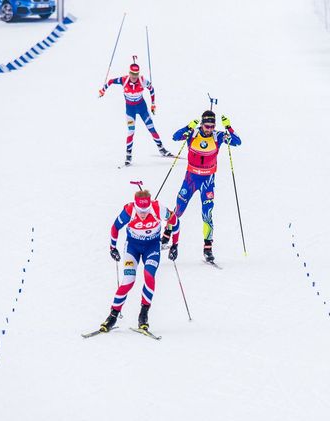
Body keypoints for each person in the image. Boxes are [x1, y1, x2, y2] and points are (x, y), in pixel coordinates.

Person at [166, 110, 241, 263]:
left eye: (212, 126)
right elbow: (175, 137)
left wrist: (229, 127)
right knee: (179, 209)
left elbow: (237, 142)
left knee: (207, 214)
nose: (209, 129)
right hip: (190, 179)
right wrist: (188, 126)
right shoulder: (192, 134)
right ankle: (167, 233)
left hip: (208, 181)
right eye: (207, 126)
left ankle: (208, 247)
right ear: (202, 124)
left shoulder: (218, 136)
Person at [99, 189, 179, 332]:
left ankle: (143, 314)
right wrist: (112, 248)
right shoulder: (129, 210)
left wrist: (175, 245)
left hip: (152, 247)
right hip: (133, 248)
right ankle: (113, 315)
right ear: (135, 205)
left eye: (146, 210)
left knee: (149, 276)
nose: (143, 214)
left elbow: (175, 222)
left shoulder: (158, 209)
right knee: (129, 280)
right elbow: (115, 227)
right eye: (140, 210)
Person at [99, 59, 173, 166]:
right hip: (130, 109)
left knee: (151, 128)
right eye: (132, 74)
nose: (134, 76)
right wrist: (103, 90)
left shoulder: (142, 80)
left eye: (136, 74)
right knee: (131, 131)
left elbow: (151, 89)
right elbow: (110, 81)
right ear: (129, 73)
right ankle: (128, 155)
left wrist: (153, 104)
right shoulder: (124, 80)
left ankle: (162, 149)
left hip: (142, 107)